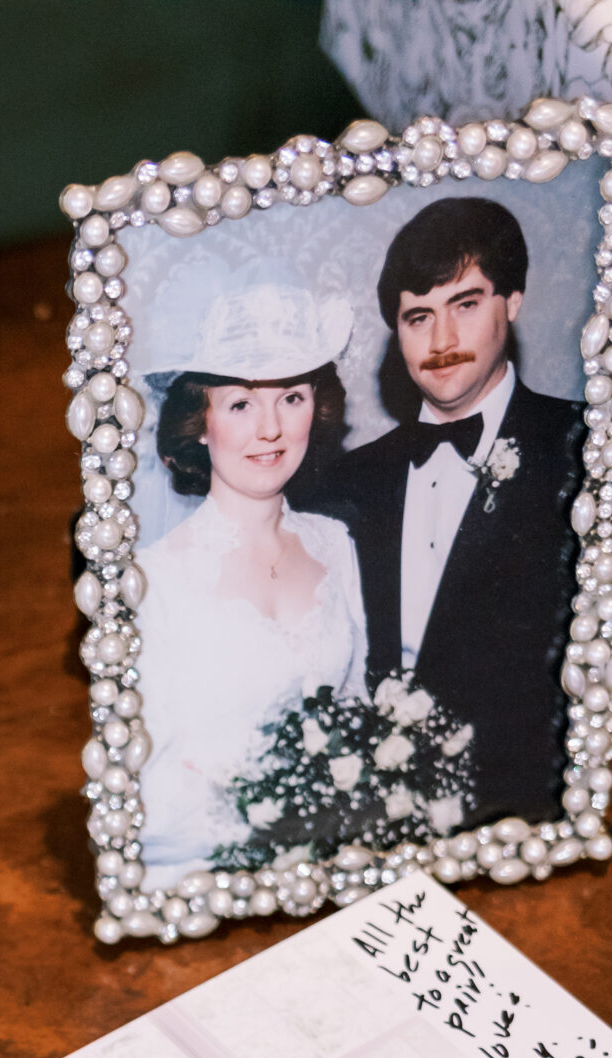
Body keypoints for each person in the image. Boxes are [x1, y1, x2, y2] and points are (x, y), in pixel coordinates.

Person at [320, 196, 582, 823]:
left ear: (511, 302)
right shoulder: (351, 479)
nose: (441, 341)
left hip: (532, 811)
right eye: (418, 317)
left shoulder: (585, 449)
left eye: (465, 304)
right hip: (371, 815)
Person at [137, 278, 367, 878]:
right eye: (240, 403)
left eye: (291, 397)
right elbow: (147, 780)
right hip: (200, 872)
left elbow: (357, 709)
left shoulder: (336, 547)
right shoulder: (155, 581)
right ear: (201, 424)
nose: (271, 429)